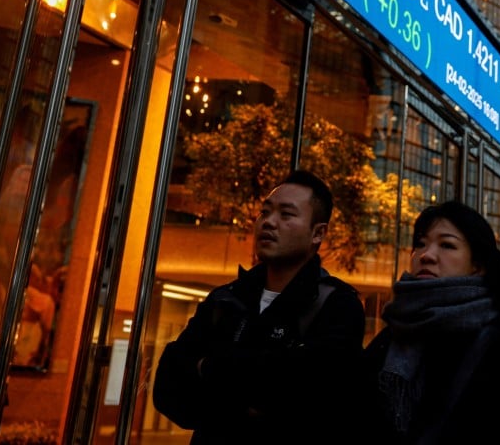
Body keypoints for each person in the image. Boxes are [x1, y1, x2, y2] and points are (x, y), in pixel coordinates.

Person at [152, 169, 365, 444]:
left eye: (286, 214)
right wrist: (256, 388)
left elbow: (313, 401)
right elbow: (168, 388)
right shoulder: (226, 299)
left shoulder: (337, 305)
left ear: (318, 233)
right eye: (265, 212)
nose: (269, 222)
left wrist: (209, 368)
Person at [360, 200, 500, 445]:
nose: (426, 255)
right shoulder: (389, 338)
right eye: (420, 244)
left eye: (447, 245)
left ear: (477, 266)